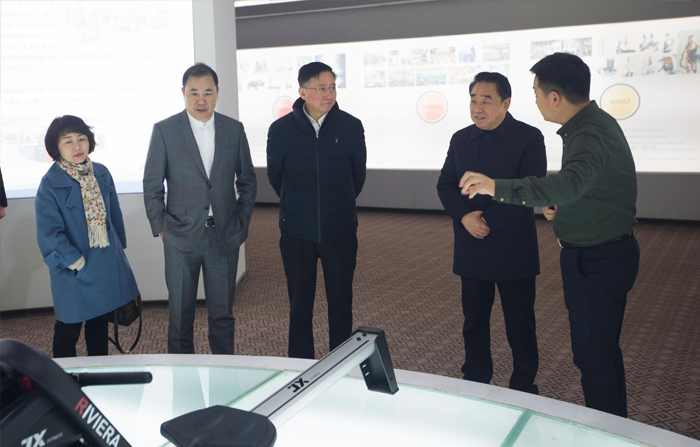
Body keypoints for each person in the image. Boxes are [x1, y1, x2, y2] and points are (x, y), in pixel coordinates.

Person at [460, 53, 639, 417]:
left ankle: (608, 432)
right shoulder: (593, 124)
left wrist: (496, 187)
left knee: (594, 355)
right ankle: (615, 427)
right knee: (600, 352)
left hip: (597, 259)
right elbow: (588, 185)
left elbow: (570, 182)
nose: (537, 100)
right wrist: (563, 207)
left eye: (537, 93)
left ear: (554, 97)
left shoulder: (587, 133)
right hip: (602, 252)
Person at [437, 72, 546, 394]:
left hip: (514, 245)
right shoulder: (461, 138)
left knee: (520, 323)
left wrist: (487, 220)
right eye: (473, 100)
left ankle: (523, 385)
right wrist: (465, 217)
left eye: (486, 100)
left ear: (506, 103)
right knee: (473, 320)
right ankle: (476, 378)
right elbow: (445, 184)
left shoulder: (529, 137)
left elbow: (530, 189)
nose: (477, 107)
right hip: (471, 243)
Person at [143, 63, 257, 355]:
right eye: (194, 92)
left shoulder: (234, 129)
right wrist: (161, 228)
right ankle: (183, 377)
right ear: (183, 93)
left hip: (224, 236)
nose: (201, 99)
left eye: (208, 92)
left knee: (222, 315)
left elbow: (247, 179)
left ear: (217, 92)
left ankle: (224, 373)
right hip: (180, 237)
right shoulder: (165, 130)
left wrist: (241, 221)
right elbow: (152, 184)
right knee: (180, 316)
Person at [266, 62, 367, 359]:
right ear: (302, 92)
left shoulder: (351, 126)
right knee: (299, 306)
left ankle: (339, 364)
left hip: (340, 231)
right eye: (321, 88)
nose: (328, 94)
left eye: (332, 87)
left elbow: (357, 176)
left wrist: (340, 204)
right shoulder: (281, 130)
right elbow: (276, 177)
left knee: (341, 304)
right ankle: (301, 366)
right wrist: (297, 205)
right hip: (297, 233)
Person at [35, 116, 140, 358]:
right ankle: (63, 378)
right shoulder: (50, 183)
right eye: (68, 141)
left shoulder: (101, 172)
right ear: (56, 148)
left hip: (103, 265)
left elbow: (114, 216)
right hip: (74, 271)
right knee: (68, 330)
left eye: (81, 139)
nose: (77, 146)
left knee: (99, 325)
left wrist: (118, 255)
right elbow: (49, 234)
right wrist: (78, 264)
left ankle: (98, 373)